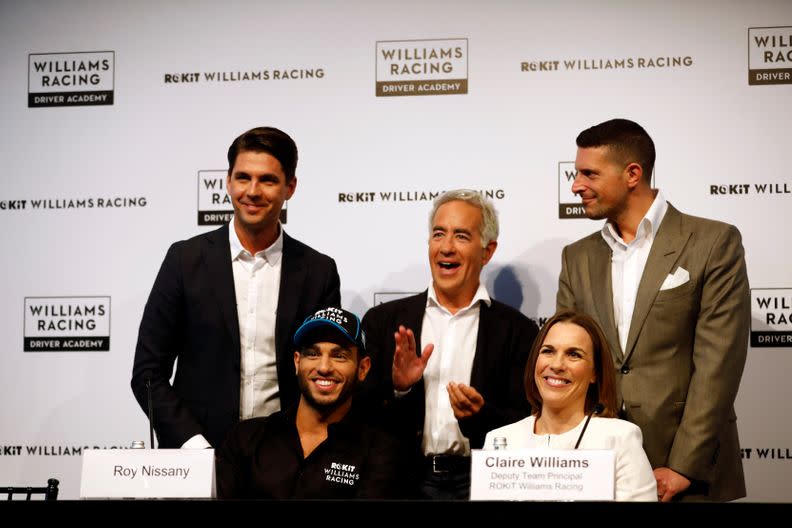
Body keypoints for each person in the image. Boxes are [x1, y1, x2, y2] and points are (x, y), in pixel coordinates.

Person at [557, 118, 749, 501]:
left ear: (632, 174)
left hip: (687, 472)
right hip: (596, 468)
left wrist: (683, 465)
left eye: (588, 174)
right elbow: (567, 360)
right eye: (576, 174)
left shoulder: (713, 242)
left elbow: (718, 364)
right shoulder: (576, 257)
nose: (576, 185)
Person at [131, 126, 341, 449]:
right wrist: (193, 445)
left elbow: (324, 372)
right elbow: (147, 373)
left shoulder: (319, 271)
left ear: (290, 187)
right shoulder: (184, 260)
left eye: (268, 180)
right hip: (196, 459)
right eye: (243, 178)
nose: (253, 191)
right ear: (228, 182)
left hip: (286, 462)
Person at [362, 189, 538, 500]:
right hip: (403, 484)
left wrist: (480, 415)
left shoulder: (518, 331)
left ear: (487, 251)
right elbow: (364, 414)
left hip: (483, 483)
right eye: (439, 234)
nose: (446, 247)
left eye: (461, 236)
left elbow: (528, 422)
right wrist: (399, 388)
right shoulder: (384, 321)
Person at [215, 307, 408, 499]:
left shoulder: (380, 452)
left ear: (363, 368)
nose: (324, 367)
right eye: (313, 354)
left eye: (339, 356)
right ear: (297, 362)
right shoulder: (246, 438)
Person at [484, 310, 657, 502]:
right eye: (548, 351)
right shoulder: (499, 441)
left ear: (595, 373)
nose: (557, 364)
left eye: (573, 354)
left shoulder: (620, 440)